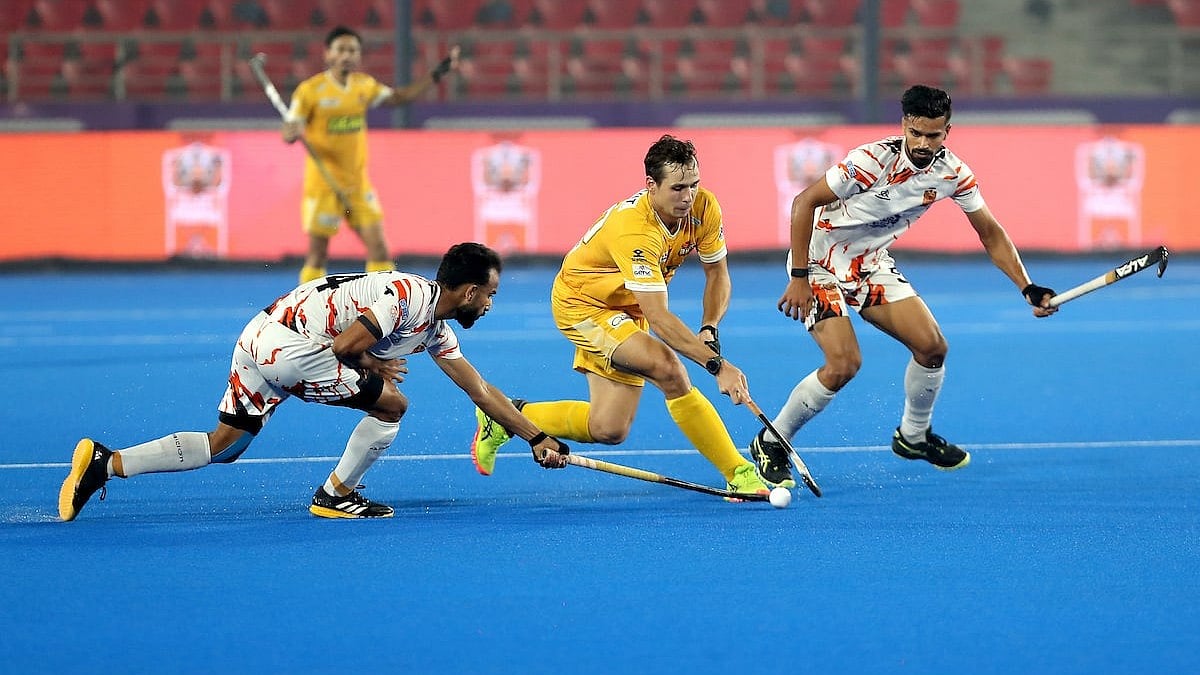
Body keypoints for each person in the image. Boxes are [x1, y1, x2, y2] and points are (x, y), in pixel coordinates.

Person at [59, 243, 569, 522]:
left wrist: (536, 437)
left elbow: (480, 390)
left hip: (260, 336)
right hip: (289, 345)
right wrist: (376, 366)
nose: (490, 305)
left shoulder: (432, 324)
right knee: (393, 404)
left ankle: (107, 463)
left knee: (225, 445)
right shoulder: (407, 296)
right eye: (490, 295)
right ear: (470, 290)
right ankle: (335, 494)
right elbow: (348, 348)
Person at [749, 84, 1058, 488]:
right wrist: (799, 276)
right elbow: (803, 202)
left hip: (870, 265)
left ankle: (913, 437)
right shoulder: (870, 161)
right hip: (820, 262)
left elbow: (990, 234)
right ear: (904, 126)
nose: (925, 143)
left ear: (947, 130)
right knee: (844, 364)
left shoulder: (953, 173)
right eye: (917, 133)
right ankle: (772, 441)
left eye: (935, 134)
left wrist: (1027, 285)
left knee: (932, 348)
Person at [470, 135, 771, 500]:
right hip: (583, 305)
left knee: (609, 428)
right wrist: (716, 365)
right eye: (677, 189)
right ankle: (739, 473)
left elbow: (717, 273)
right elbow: (659, 318)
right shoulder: (635, 230)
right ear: (651, 186)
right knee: (669, 369)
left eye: (693, 185)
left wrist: (709, 328)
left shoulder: (704, 208)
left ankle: (506, 415)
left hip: (627, 306)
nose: (688, 197)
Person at [283, 26, 460, 284]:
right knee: (318, 255)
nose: (347, 55)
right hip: (323, 185)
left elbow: (399, 97)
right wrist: (292, 131)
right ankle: (308, 311)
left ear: (358, 56)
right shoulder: (309, 91)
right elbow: (288, 132)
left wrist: (438, 73)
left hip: (357, 184)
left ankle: (382, 305)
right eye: (341, 49)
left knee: (379, 248)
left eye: (352, 50)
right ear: (328, 54)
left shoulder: (364, 86)